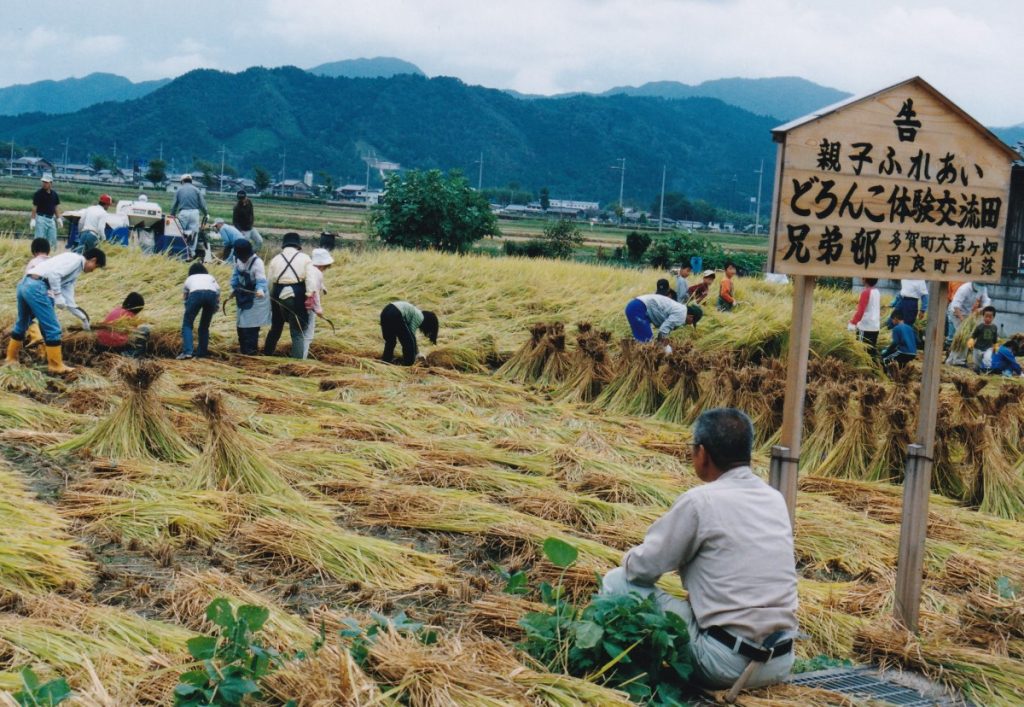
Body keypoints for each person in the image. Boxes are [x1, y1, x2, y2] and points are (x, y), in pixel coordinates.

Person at [601, 408, 797, 690]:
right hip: (779, 661)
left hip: (725, 666)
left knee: (617, 582)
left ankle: (620, 677)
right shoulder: (774, 499)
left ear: (702, 453)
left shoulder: (699, 502)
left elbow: (642, 569)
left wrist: (630, 556)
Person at [6, 248, 106, 374]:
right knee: (53, 329)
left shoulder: (74, 268)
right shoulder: (75, 260)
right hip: (37, 287)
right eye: (95, 267)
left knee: (23, 323)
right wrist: (58, 295)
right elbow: (54, 275)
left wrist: (83, 318)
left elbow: (69, 299)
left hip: (26, 283)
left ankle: (11, 358)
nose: (93, 270)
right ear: (93, 260)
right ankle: (55, 365)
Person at [263, 232, 316, 358]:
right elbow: (310, 280)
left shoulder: (275, 259)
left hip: (277, 294)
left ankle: (266, 354)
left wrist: (271, 301)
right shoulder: (305, 258)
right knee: (297, 332)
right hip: (296, 295)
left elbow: (269, 282)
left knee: (275, 328)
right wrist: (309, 296)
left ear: (284, 245)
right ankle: (296, 362)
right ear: (298, 246)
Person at [230, 239, 271, 355]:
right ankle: (244, 350)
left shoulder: (257, 263)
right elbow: (235, 276)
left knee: (251, 326)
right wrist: (233, 289)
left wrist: (260, 290)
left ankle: (251, 352)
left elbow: (261, 280)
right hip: (243, 294)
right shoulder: (238, 260)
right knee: (241, 324)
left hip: (256, 297)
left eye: (244, 256)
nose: (243, 259)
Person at [625, 294, 702, 350]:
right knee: (647, 346)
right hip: (638, 308)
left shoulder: (680, 309)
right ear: (691, 316)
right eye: (692, 321)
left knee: (643, 342)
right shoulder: (682, 314)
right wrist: (662, 344)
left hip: (636, 306)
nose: (690, 323)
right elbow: (663, 330)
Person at [178, 263, 219, 360]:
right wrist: (216, 306)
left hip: (196, 294)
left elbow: (185, 297)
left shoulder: (190, 278)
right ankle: (201, 354)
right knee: (204, 326)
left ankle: (188, 352)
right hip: (211, 295)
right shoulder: (210, 277)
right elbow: (218, 291)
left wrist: (187, 308)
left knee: (187, 324)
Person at [380, 301, 438, 365]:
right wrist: (418, 353)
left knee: (390, 341)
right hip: (396, 312)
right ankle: (408, 364)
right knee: (408, 342)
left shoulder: (414, 312)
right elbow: (411, 337)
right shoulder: (420, 316)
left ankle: (385, 361)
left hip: (385, 311)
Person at [302, 248, 334, 359]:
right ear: (323, 264)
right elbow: (314, 292)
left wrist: (323, 287)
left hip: (300, 302)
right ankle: (302, 357)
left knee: (301, 331)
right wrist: (318, 310)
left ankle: (300, 354)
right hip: (308, 306)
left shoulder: (308, 267)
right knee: (308, 333)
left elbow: (315, 283)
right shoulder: (317, 272)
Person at [96, 292, 150, 357]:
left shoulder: (116, 310)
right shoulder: (130, 316)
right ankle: (131, 354)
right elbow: (133, 335)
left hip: (101, 344)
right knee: (145, 330)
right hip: (116, 347)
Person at [848, 278, 881, 359]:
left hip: (865, 327)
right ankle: (879, 369)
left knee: (860, 352)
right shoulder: (877, 292)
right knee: (871, 352)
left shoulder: (866, 292)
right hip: (875, 326)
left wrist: (852, 323)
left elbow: (860, 311)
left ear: (864, 279)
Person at [170, 174, 208, 239]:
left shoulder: (179, 190)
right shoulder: (196, 190)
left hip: (183, 213)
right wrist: (206, 213)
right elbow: (202, 204)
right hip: (195, 214)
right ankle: (192, 249)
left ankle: (181, 247)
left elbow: (174, 205)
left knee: (180, 233)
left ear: (182, 181)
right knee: (193, 234)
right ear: (191, 181)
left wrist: (172, 214)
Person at [30, 174, 62, 250]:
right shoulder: (38, 193)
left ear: (51, 183)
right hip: (41, 218)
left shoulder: (54, 194)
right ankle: (37, 253)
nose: (44, 184)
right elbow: (35, 207)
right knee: (40, 239)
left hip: (51, 219)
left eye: (46, 182)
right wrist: (33, 219)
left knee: (52, 238)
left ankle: (51, 255)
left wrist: (58, 218)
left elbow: (56, 207)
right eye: (43, 182)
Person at [969, 306, 999, 371]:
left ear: (993, 317)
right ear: (983, 316)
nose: (988, 319)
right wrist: (971, 341)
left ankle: (987, 371)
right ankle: (977, 372)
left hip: (988, 348)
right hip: (977, 347)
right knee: (976, 364)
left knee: (987, 359)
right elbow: (973, 336)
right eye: (986, 316)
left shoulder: (994, 327)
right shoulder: (980, 326)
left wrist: (995, 345)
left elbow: (995, 337)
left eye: (990, 317)